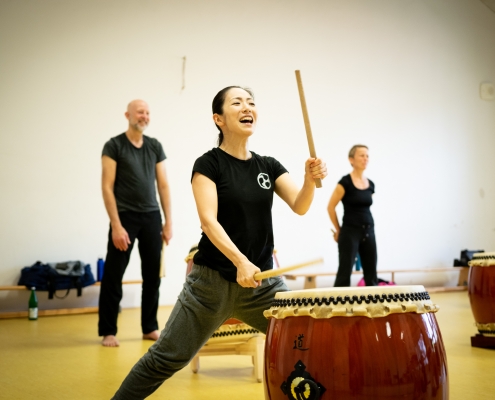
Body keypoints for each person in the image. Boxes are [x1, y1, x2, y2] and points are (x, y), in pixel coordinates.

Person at [111, 86, 327, 399]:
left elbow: (300, 205)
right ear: (219, 119)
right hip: (210, 286)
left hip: (262, 285)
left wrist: (309, 180)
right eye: (237, 103)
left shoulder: (267, 165)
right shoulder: (209, 164)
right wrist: (240, 261)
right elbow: (209, 222)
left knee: (307, 341)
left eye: (251, 103)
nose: (247, 107)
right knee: (166, 359)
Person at [98, 99, 173, 347]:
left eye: (148, 112)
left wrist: (168, 221)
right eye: (140, 112)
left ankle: (149, 327)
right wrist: (116, 226)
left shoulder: (154, 146)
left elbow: (163, 185)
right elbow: (107, 188)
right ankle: (108, 331)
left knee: (153, 276)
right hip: (125, 217)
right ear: (128, 115)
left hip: (152, 217)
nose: (144, 116)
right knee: (113, 275)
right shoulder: (114, 145)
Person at [327, 145, 378, 287]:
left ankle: (374, 307)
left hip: (369, 231)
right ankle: (338, 306)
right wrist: (338, 229)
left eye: (367, 155)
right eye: (362, 155)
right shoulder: (345, 183)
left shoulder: (371, 185)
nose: (365, 158)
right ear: (351, 159)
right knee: (344, 272)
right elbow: (330, 207)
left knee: (371, 273)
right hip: (350, 232)